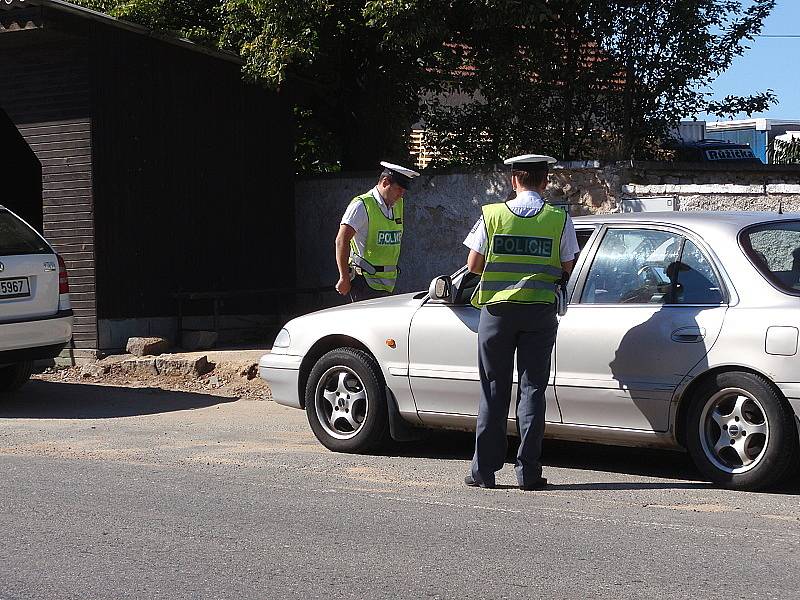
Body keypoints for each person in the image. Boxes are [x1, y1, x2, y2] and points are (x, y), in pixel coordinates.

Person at [463, 154, 579, 490]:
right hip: (540, 313)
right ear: (545, 182)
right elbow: (567, 264)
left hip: (497, 314)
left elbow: (473, 264)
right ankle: (528, 473)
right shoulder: (559, 218)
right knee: (532, 391)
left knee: (493, 389)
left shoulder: (493, 214)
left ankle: (484, 473)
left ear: (514, 180)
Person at [335, 162, 420, 302]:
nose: (401, 195)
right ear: (385, 182)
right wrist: (344, 277)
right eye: (399, 189)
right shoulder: (361, 205)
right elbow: (341, 240)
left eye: (403, 191)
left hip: (387, 283)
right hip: (364, 281)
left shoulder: (397, 205)